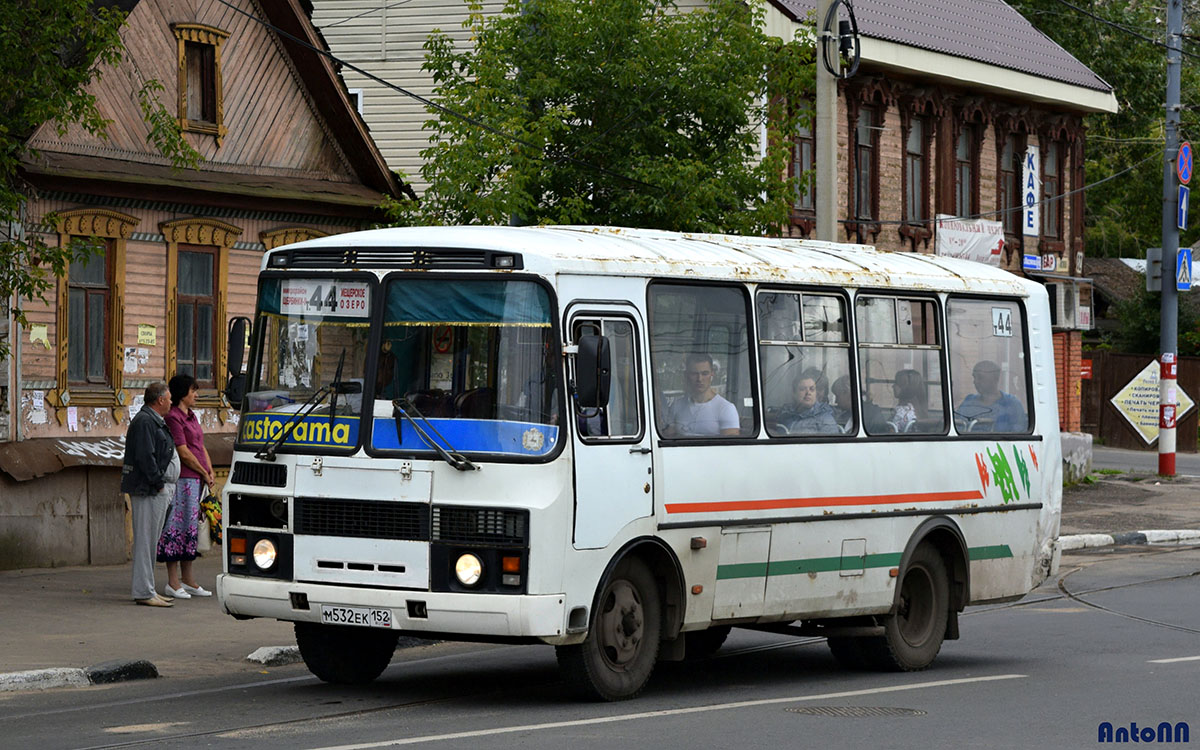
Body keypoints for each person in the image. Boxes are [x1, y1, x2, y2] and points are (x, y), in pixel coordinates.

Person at [121, 382, 180, 608]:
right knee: (145, 542)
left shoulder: (152, 420)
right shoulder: (146, 421)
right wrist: (157, 483)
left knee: (150, 542)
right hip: (149, 490)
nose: (172, 402)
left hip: (156, 488)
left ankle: (149, 589)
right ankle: (144, 591)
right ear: (160, 400)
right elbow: (146, 456)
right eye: (169, 398)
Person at [159, 374, 215, 600]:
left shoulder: (191, 416)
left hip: (197, 480)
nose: (197, 395)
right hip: (182, 480)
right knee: (176, 529)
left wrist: (209, 471)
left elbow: (200, 446)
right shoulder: (174, 418)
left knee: (191, 530)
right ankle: (173, 582)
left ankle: (189, 580)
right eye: (193, 391)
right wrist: (202, 471)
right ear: (183, 393)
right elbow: (182, 451)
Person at [665, 353, 740, 436]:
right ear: (686, 375)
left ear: (712, 374)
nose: (699, 379)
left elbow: (730, 446)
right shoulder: (677, 406)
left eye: (704, 373)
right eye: (694, 374)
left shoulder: (726, 408)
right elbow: (668, 437)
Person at [959, 360, 1027, 432]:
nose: (975, 381)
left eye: (980, 377)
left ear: (995, 379)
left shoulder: (1012, 405)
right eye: (974, 377)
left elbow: (1019, 437)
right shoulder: (968, 401)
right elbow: (958, 426)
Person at [778, 368, 840, 434]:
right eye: (802, 389)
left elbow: (831, 443)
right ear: (794, 393)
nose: (808, 393)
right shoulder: (786, 415)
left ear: (815, 393)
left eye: (812, 389)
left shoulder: (825, 419)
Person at [888, 369, 929, 433]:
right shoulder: (916, 408)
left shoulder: (903, 412)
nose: (893, 386)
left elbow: (890, 435)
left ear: (906, 388)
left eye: (896, 383)